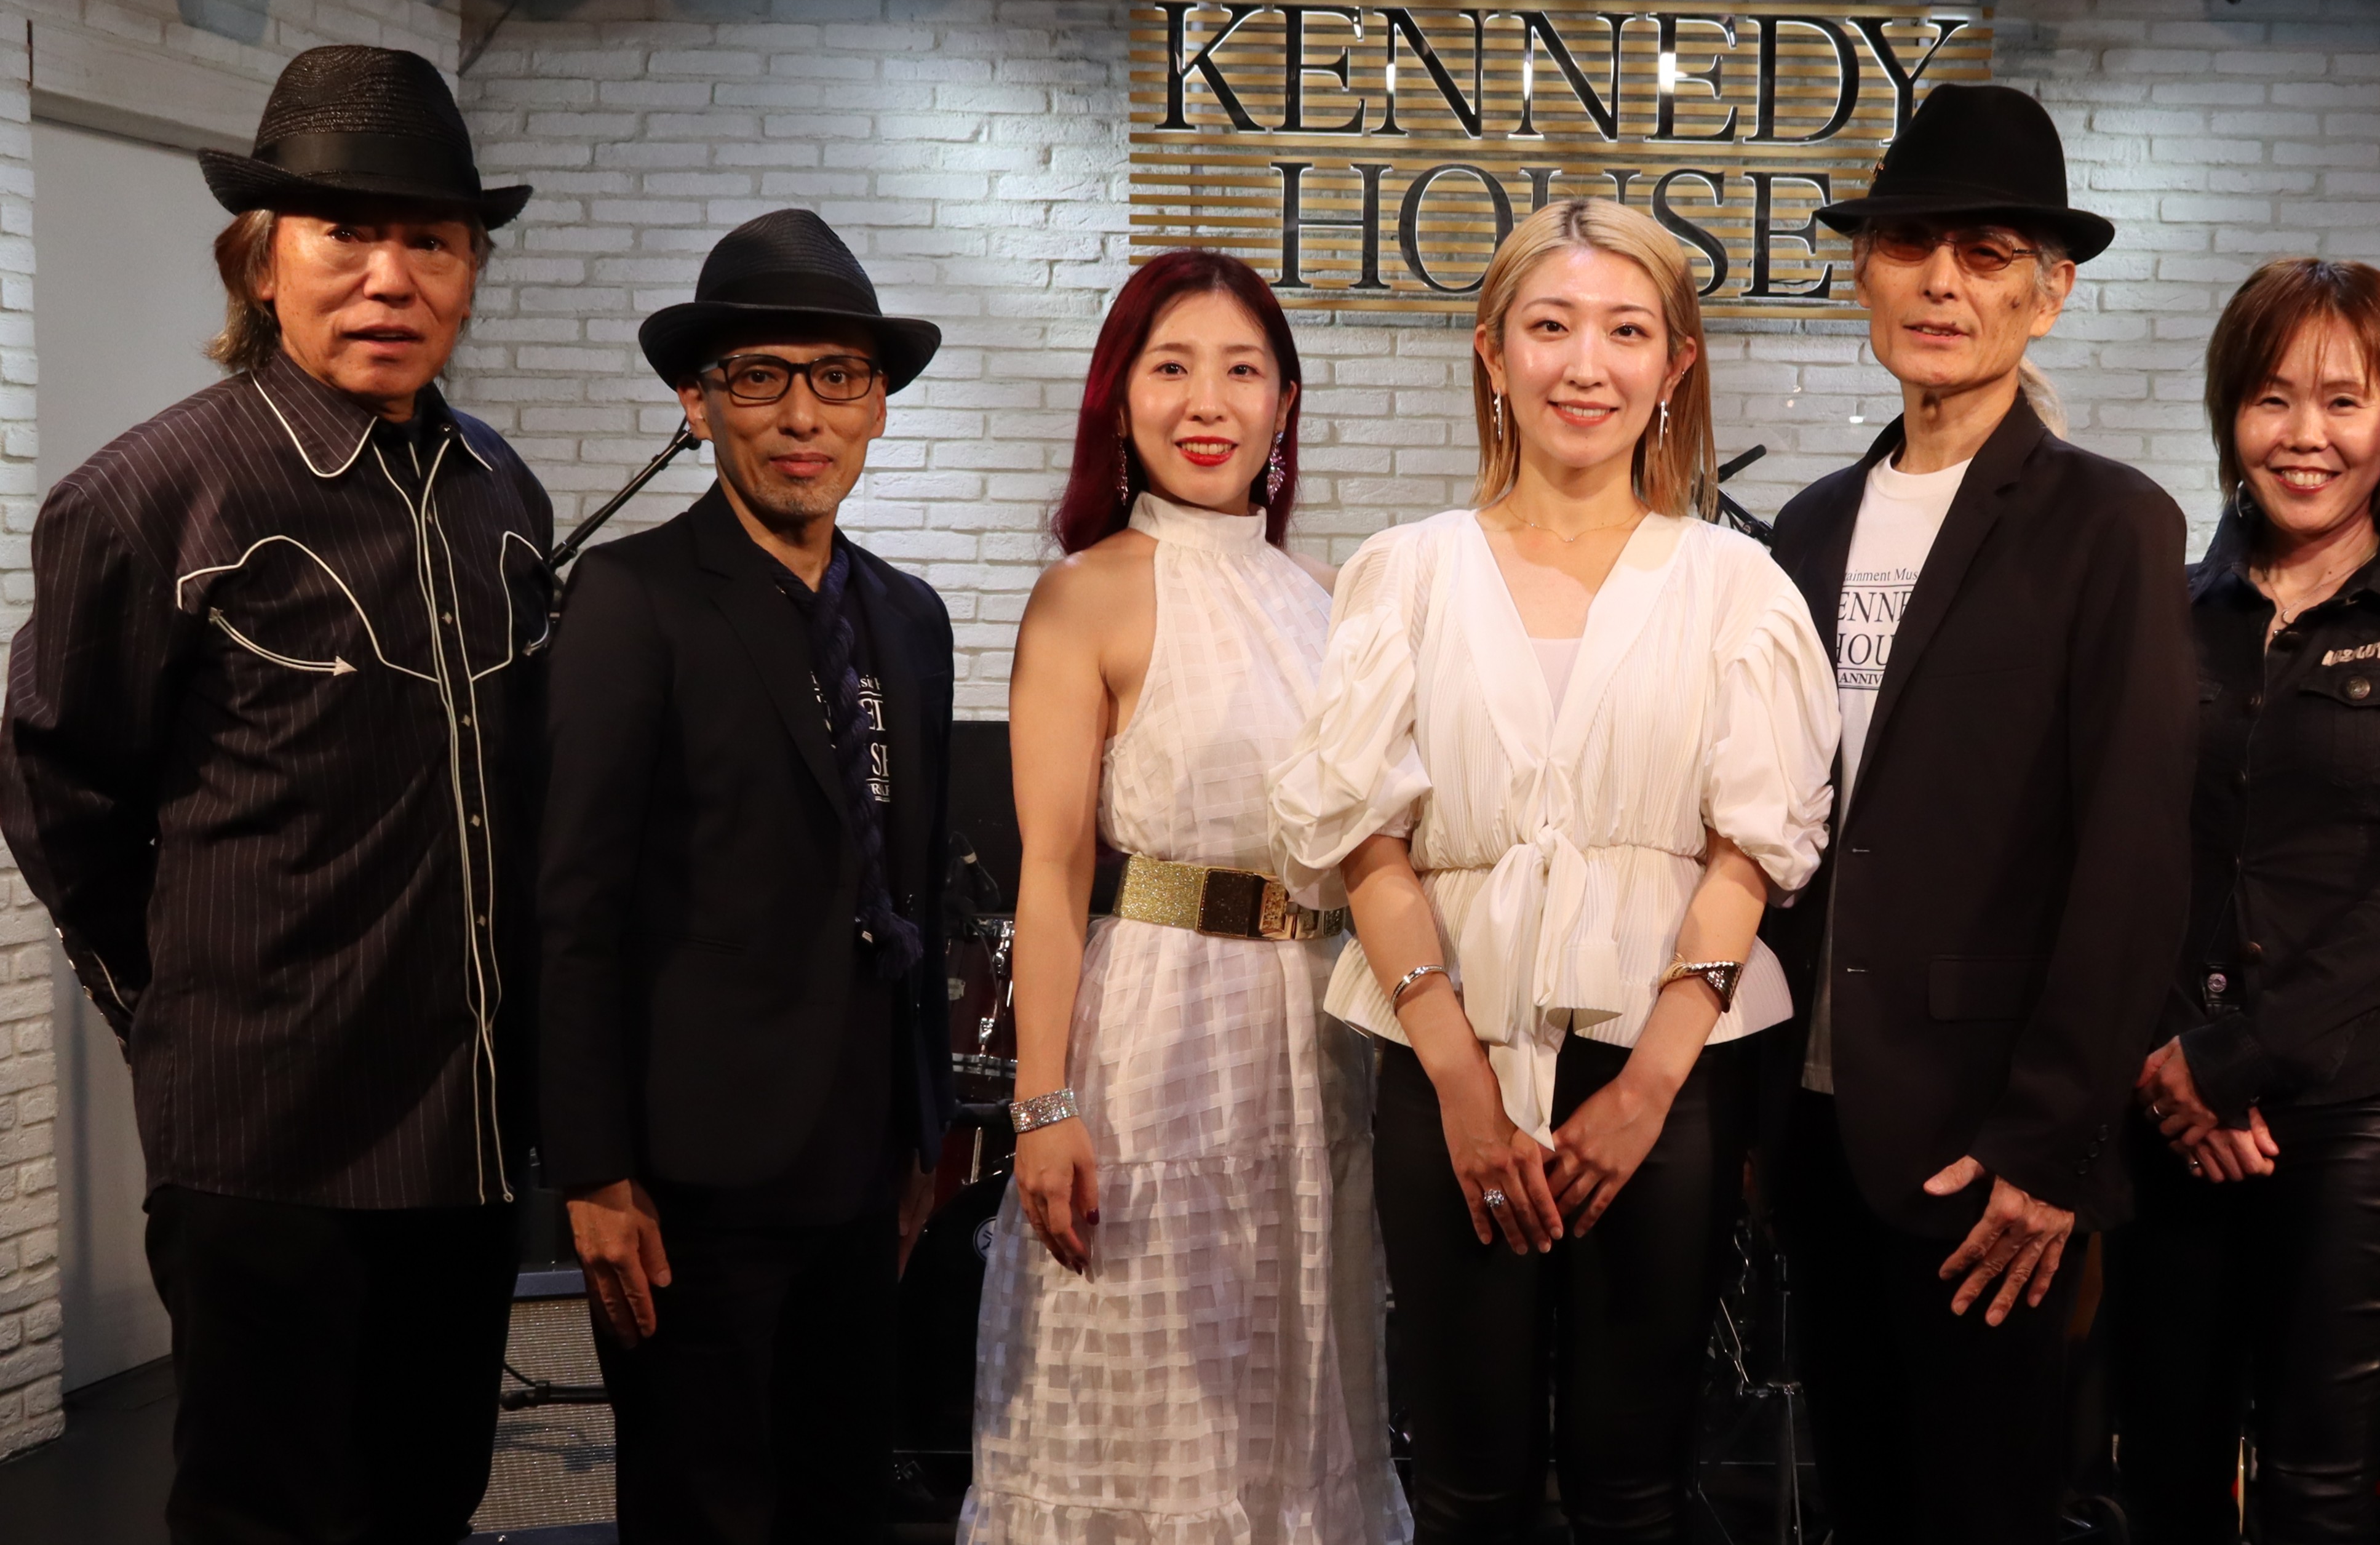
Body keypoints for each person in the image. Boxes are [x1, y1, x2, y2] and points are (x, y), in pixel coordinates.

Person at [0, 44, 549, 1544]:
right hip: (264, 1136)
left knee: (428, 1497)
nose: (388, 277)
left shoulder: (503, 494)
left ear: (470, 272)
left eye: (429, 239)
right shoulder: (148, 498)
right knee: (268, 1516)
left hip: (468, 1130)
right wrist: (183, 999)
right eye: (343, 233)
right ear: (261, 259)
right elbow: (55, 780)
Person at [1272, 198, 1837, 1544]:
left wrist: (1647, 1088)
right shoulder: (1403, 573)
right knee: (1466, 1485)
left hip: (1666, 1073)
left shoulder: (1737, 584)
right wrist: (1462, 1083)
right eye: (1551, 326)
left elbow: (1749, 851)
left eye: (1626, 332)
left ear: (1675, 364)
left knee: (1632, 1486)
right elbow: (1367, 842)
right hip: (1441, 1061)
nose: (1587, 366)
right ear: (1491, 350)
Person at [1757, 82, 2197, 1544]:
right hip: (1814, 1118)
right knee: (1860, 1502)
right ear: (1864, 273)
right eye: (1910, 245)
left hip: (1987, 1135)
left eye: (1987, 253)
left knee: (1986, 1508)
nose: (1941, 282)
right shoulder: (1808, 525)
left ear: (2047, 294)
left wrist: (2051, 1141)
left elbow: (2131, 854)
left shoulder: (2109, 523)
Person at [962, 249, 1409, 1544]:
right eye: (1171, 368)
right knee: (1146, 1391)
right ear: (1121, 397)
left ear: (1284, 404)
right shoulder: (1085, 593)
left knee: (1299, 1401)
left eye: (1241, 371)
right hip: (1153, 1037)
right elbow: (1052, 869)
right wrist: (1043, 1102)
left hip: (1319, 1037)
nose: (1207, 402)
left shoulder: (1330, 600)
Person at [538, 208, 956, 1545]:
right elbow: (572, 907)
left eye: (837, 377)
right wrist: (593, 1169)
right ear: (699, 401)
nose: (801, 414)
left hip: (862, 1159)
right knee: (701, 1513)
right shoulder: (633, 598)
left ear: (877, 405)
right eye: (760, 377)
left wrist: (925, 1131)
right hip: (688, 1180)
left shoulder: (909, 616)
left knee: (844, 1504)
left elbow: (911, 890)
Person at [2107, 260, 2380, 1541]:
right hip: (2159, 1101)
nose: (2304, 435)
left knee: (2322, 1487)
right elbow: (2113, 853)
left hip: (2356, 1116)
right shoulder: (2156, 612)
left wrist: (2234, 1060)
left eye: (2343, 400)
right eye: (2272, 398)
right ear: (2229, 412)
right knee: (2160, 1470)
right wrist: (2173, 1062)